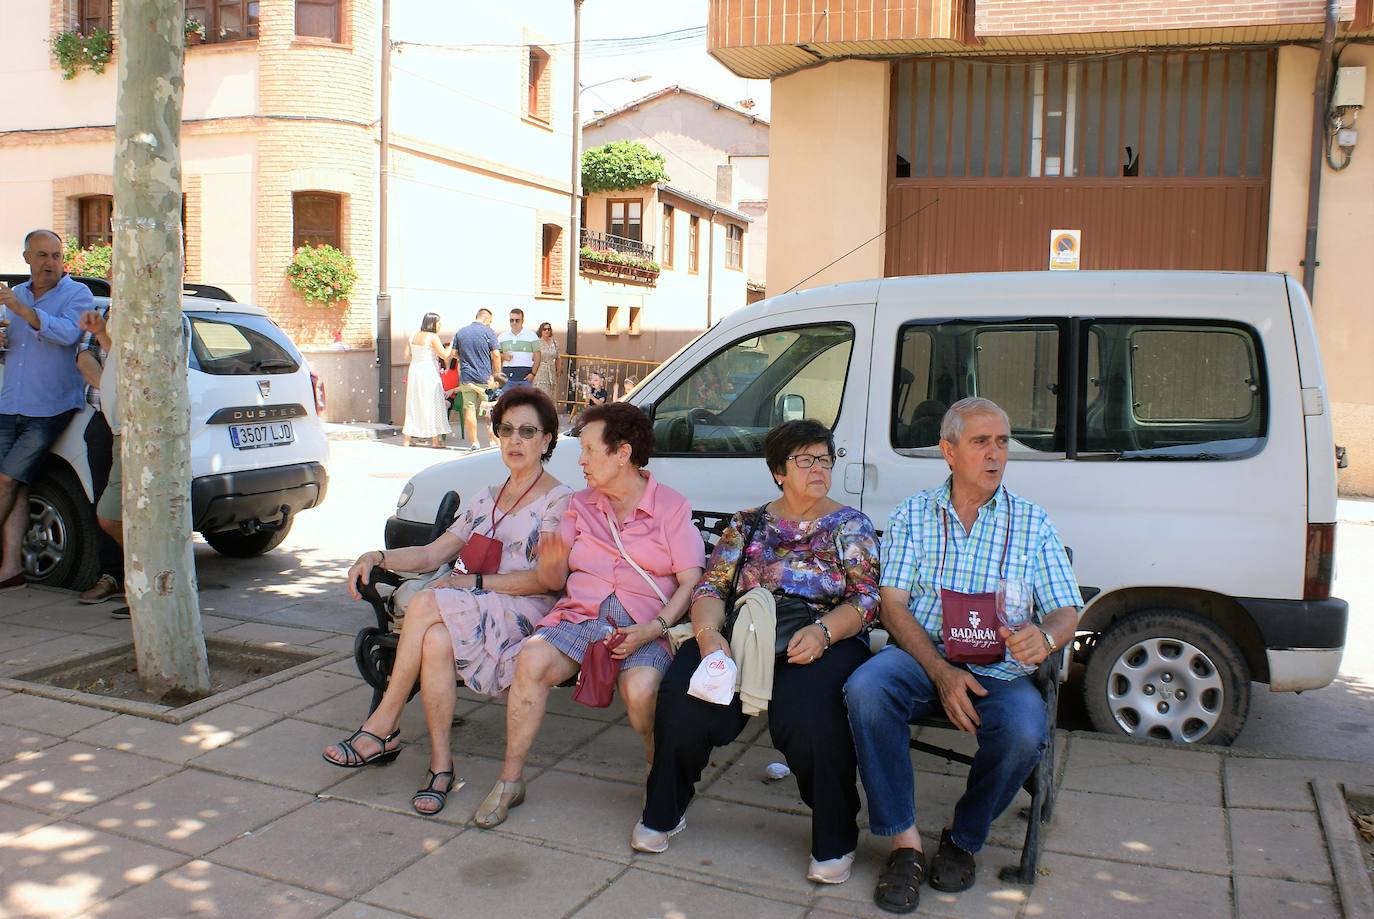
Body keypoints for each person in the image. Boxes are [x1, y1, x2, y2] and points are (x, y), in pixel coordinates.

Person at [843, 397, 1082, 914]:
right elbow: (893, 605)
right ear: (948, 451)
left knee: (1024, 731)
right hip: (922, 655)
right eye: (981, 442)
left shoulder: (1031, 523)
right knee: (865, 688)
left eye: (1002, 441)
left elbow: (1068, 609)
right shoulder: (913, 515)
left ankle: (964, 835)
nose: (996, 454)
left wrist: (1045, 637)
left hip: (998, 668)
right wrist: (941, 672)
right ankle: (904, 844)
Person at [633, 419, 881, 886]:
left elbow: (867, 598)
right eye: (804, 459)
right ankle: (664, 810)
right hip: (744, 631)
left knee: (810, 720)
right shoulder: (748, 524)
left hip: (820, 638)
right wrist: (709, 637)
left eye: (824, 459)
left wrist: (826, 632)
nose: (818, 468)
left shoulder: (850, 525)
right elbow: (712, 585)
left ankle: (835, 836)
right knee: (686, 700)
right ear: (778, 472)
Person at [323, 387, 574, 817]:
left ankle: (384, 724)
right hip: (472, 604)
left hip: (525, 610)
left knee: (426, 602)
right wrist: (377, 556)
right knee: (435, 638)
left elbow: (545, 580)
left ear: (548, 439)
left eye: (528, 432)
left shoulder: (559, 500)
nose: (515, 441)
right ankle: (440, 767)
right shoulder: (487, 496)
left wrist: (473, 581)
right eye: (507, 430)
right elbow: (432, 554)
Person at [474, 402, 705, 829]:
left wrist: (655, 627)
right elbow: (553, 575)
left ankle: (662, 780)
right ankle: (510, 780)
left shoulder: (670, 507)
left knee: (641, 692)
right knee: (533, 658)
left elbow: (692, 581)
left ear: (622, 453)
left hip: (645, 626)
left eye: (588, 451)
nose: (580, 461)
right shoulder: (579, 505)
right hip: (581, 617)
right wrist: (552, 556)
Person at [0, 230, 90, 591]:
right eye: (41, 255)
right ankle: (10, 569)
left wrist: (23, 311)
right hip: (9, 404)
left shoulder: (77, 294)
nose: (50, 262)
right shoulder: (15, 295)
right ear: (26, 258)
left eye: (55, 255)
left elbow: (68, 334)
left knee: (6, 480)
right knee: (16, 484)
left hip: (49, 408)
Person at [74, 307, 126, 614]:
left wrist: (116, 389)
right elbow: (85, 357)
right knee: (104, 505)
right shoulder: (104, 314)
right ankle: (111, 576)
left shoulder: (165, 314)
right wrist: (110, 392)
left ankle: (144, 579)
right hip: (103, 420)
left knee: (124, 510)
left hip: (137, 427)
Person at [450, 308, 501, 450]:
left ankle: (474, 443)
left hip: (467, 378)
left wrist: (464, 358)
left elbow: (453, 353)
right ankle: (493, 442)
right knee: (489, 410)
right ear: (486, 319)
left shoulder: (461, 332)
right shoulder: (488, 332)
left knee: (469, 409)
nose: (490, 325)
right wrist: (498, 375)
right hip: (486, 378)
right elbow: (496, 355)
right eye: (490, 322)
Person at [402, 312, 453, 448]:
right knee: (433, 403)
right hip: (428, 372)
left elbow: (406, 356)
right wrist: (452, 345)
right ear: (433, 323)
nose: (440, 326)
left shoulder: (413, 335)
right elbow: (445, 355)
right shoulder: (432, 337)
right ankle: (435, 441)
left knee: (413, 403)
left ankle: (406, 440)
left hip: (414, 371)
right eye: (439, 323)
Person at [497, 308, 540, 391]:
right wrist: (503, 356)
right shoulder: (502, 337)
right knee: (507, 403)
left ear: (522, 321)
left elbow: (538, 356)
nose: (514, 323)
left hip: (525, 376)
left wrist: (533, 374)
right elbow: (495, 355)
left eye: (517, 320)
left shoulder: (531, 336)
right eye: (511, 320)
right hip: (507, 376)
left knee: (524, 403)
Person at [532, 321, 560, 407]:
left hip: (551, 372)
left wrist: (558, 370)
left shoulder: (554, 343)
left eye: (548, 329)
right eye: (544, 329)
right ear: (541, 331)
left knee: (551, 396)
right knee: (541, 395)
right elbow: (533, 357)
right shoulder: (537, 343)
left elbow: (558, 357)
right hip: (540, 371)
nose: (547, 331)